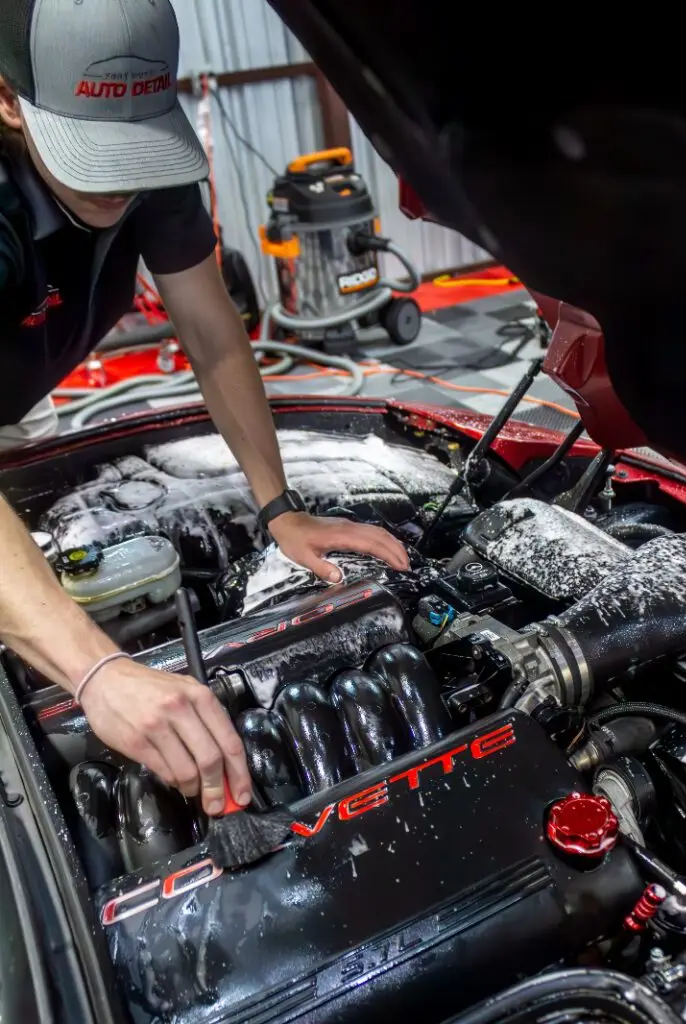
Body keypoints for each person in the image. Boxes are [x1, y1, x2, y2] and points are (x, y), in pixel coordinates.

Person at [0, 0, 409, 816]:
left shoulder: (142, 157)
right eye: (92, 153)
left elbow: (211, 328)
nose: (120, 180)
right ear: (8, 101)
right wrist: (94, 670)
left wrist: (278, 509)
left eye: (133, 147)